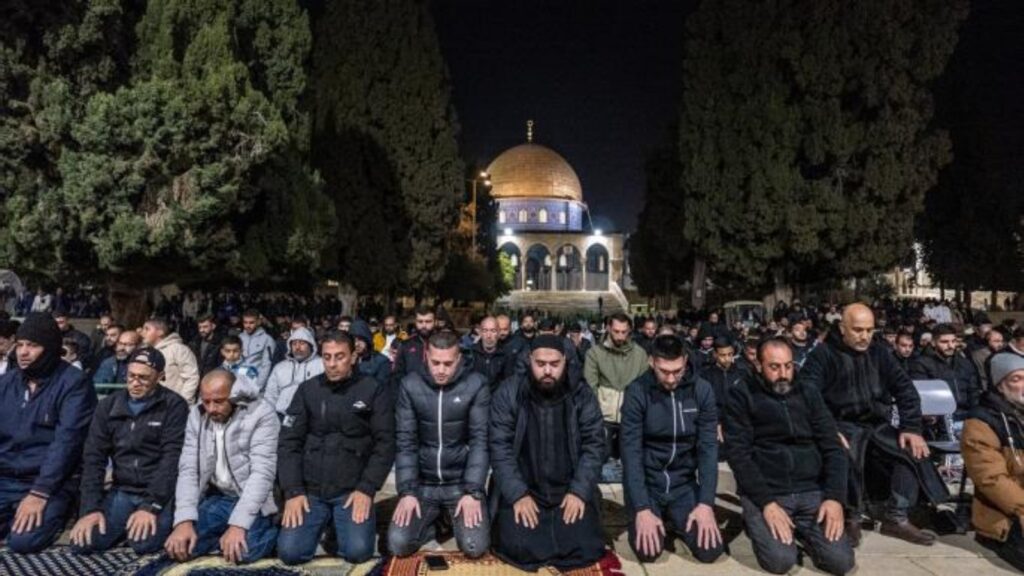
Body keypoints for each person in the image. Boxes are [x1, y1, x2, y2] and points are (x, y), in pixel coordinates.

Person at [801, 303, 946, 546]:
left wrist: (911, 428)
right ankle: (850, 517)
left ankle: (896, 517)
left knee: (912, 451)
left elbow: (906, 391)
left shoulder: (880, 353)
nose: (865, 336)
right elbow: (807, 397)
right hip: (840, 424)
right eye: (858, 330)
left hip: (877, 425)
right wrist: (827, 430)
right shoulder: (822, 355)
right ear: (842, 328)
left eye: (869, 330)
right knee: (845, 453)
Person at [726, 338, 854, 575]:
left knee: (841, 562)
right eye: (774, 367)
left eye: (788, 366)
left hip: (811, 490)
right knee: (780, 562)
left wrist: (835, 498)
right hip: (768, 491)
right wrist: (766, 503)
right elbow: (739, 456)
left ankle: (806, 533)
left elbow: (833, 447)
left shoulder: (808, 392)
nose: (783, 373)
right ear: (759, 366)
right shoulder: (741, 394)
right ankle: (757, 521)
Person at [489, 334, 606, 571]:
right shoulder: (510, 392)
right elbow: (499, 448)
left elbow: (594, 446)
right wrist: (517, 494)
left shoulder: (581, 394)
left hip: (567, 490)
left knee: (583, 544)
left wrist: (579, 491)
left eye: (554, 364)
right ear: (529, 360)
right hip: (525, 488)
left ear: (565, 361)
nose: (547, 371)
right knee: (518, 545)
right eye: (540, 364)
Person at [276, 332, 395, 565]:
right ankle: (322, 522)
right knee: (290, 553)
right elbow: (289, 442)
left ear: (353, 356)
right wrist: (293, 491)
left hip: (351, 491)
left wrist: (367, 488)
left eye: (340, 357)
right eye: (327, 357)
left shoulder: (373, 390)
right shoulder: (307, 390)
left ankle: (339, 525)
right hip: (311, 490)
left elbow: (386, 442)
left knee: (357, 552)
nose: (332, 364)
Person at [70, 348, 188, 555]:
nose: (135, 383)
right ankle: (124, 524)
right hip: (122, 490)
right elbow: (94, 458)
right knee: (83, 542)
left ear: (160, 377)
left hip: (158, 492)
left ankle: (135, 525)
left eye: (144, 378)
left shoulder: (174, 405)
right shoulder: (108, 406)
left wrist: (151, 506)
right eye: (131, 376)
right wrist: (90, 509)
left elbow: (171, 459)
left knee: (144, 545)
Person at [620, 335, 723, 564]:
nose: (670, 378)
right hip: (648, 484)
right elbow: (631, 454)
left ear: (685, 361)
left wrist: (706, 503)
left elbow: (708, 449)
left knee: (711, 550)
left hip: (683, 484)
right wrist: (642, 508)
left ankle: (676, 518)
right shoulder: (636, 392)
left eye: (677, 370)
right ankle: (655, 515)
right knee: (648, 552)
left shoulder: (702, 390)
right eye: (663, 371)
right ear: (651, 362)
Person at [0, 313, 97, 553]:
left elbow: (67, 442)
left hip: (50, 483)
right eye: (20, 344)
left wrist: (39, 492)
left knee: (23, 541)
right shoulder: (6, 383)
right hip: (5, 477)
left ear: (51, 347)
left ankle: (57, 516)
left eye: (32, 345)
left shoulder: (74, 383)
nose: (23, 352)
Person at [388, 331, 491, 557]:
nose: (441, 370)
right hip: (423, 484)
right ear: (426, 356)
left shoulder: (476, 385)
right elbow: (405, 442)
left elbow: (479, 441)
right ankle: (437, 522)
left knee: (475, 547)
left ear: (459, 359)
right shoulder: (410, 385)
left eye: (448, 363)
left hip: (460, 484)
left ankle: (449, 517)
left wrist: (473, 491)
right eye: (435, 363)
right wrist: (407, 492)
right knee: (398, 544)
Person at [164, 369, 281, 565]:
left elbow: (262, 474)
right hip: (219, 497)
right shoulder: (197, 414)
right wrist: (183, 520)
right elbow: (188, 469)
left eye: (218, 401)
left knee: (243, 553)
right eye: (206, 401)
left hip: (256, 499)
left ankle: (274, 527)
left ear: (235, 396)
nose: (211, 409)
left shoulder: (261, 413)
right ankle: (222, 536)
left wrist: (238, 525)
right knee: (179, 547)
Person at [962, 353, 1024, 571]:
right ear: (1000, 385)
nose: (1023, 385)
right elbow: (991, 479)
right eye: (1016, 380)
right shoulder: (981, 422)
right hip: (1006, 515)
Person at [584, 312, 649, 471]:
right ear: (608, 329)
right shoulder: (595, 353)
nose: (620, 336)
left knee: (630, 459)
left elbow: (644, 386)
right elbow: (590, 386)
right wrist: (595, 413)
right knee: (600, 456)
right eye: (616, 331)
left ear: (630, 331)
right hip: (603, 414)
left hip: (630, 415)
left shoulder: (639, 354)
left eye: (624, 332)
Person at [910, 323, 981, 419]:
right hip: (941, 418)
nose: (951, 345)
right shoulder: (921, 364)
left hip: (967, 415)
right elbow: (923, 398)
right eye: (944, 342)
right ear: (933, 343)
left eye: (953, 341)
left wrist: (975, 416)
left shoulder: (965, 363)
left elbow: (973, 393)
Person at [262, 327, 324, 417]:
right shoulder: (280, 367)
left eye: (302, 343)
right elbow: (270, 395)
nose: (297, 347)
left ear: (311, 345)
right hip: (280, 415)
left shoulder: (321, 365)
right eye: (294, 344)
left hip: (310, 417)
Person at [142, 318, 200, 404]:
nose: (143, 333)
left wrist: (182, 403)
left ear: (160, 332)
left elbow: (191, 377)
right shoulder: (146, 352)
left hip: (174, 406)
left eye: (147, 329)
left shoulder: (179, 349)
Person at [467, 316, 513, 391]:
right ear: (480, 333)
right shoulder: (470, 353)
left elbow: (508, 383)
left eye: (493, 331)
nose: (489, 336)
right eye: (485, 331)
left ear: (498, 333)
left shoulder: (506, 354)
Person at [392, 306, 436, 385]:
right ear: (415, 322)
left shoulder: (444, 343)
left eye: (428, 321)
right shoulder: (406, 345)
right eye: (420, 321)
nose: (424, 325)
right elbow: (397, 374)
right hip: (411, 391)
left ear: (435, 322)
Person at [239, 310, 275, 391]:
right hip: (240, 383)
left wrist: (257, 387)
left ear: (258, 322)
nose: (248, 325)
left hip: (257, 384)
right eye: (245, 322)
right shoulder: (239, 338)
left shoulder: (267, 339)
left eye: (251, 323)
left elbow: (267, 365)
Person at [350, 320, 392, 386]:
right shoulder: (347, 359)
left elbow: (382, 386)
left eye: (360, 339)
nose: (356, 344)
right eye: (353, 340)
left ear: (367, 339)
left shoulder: (381, 361)